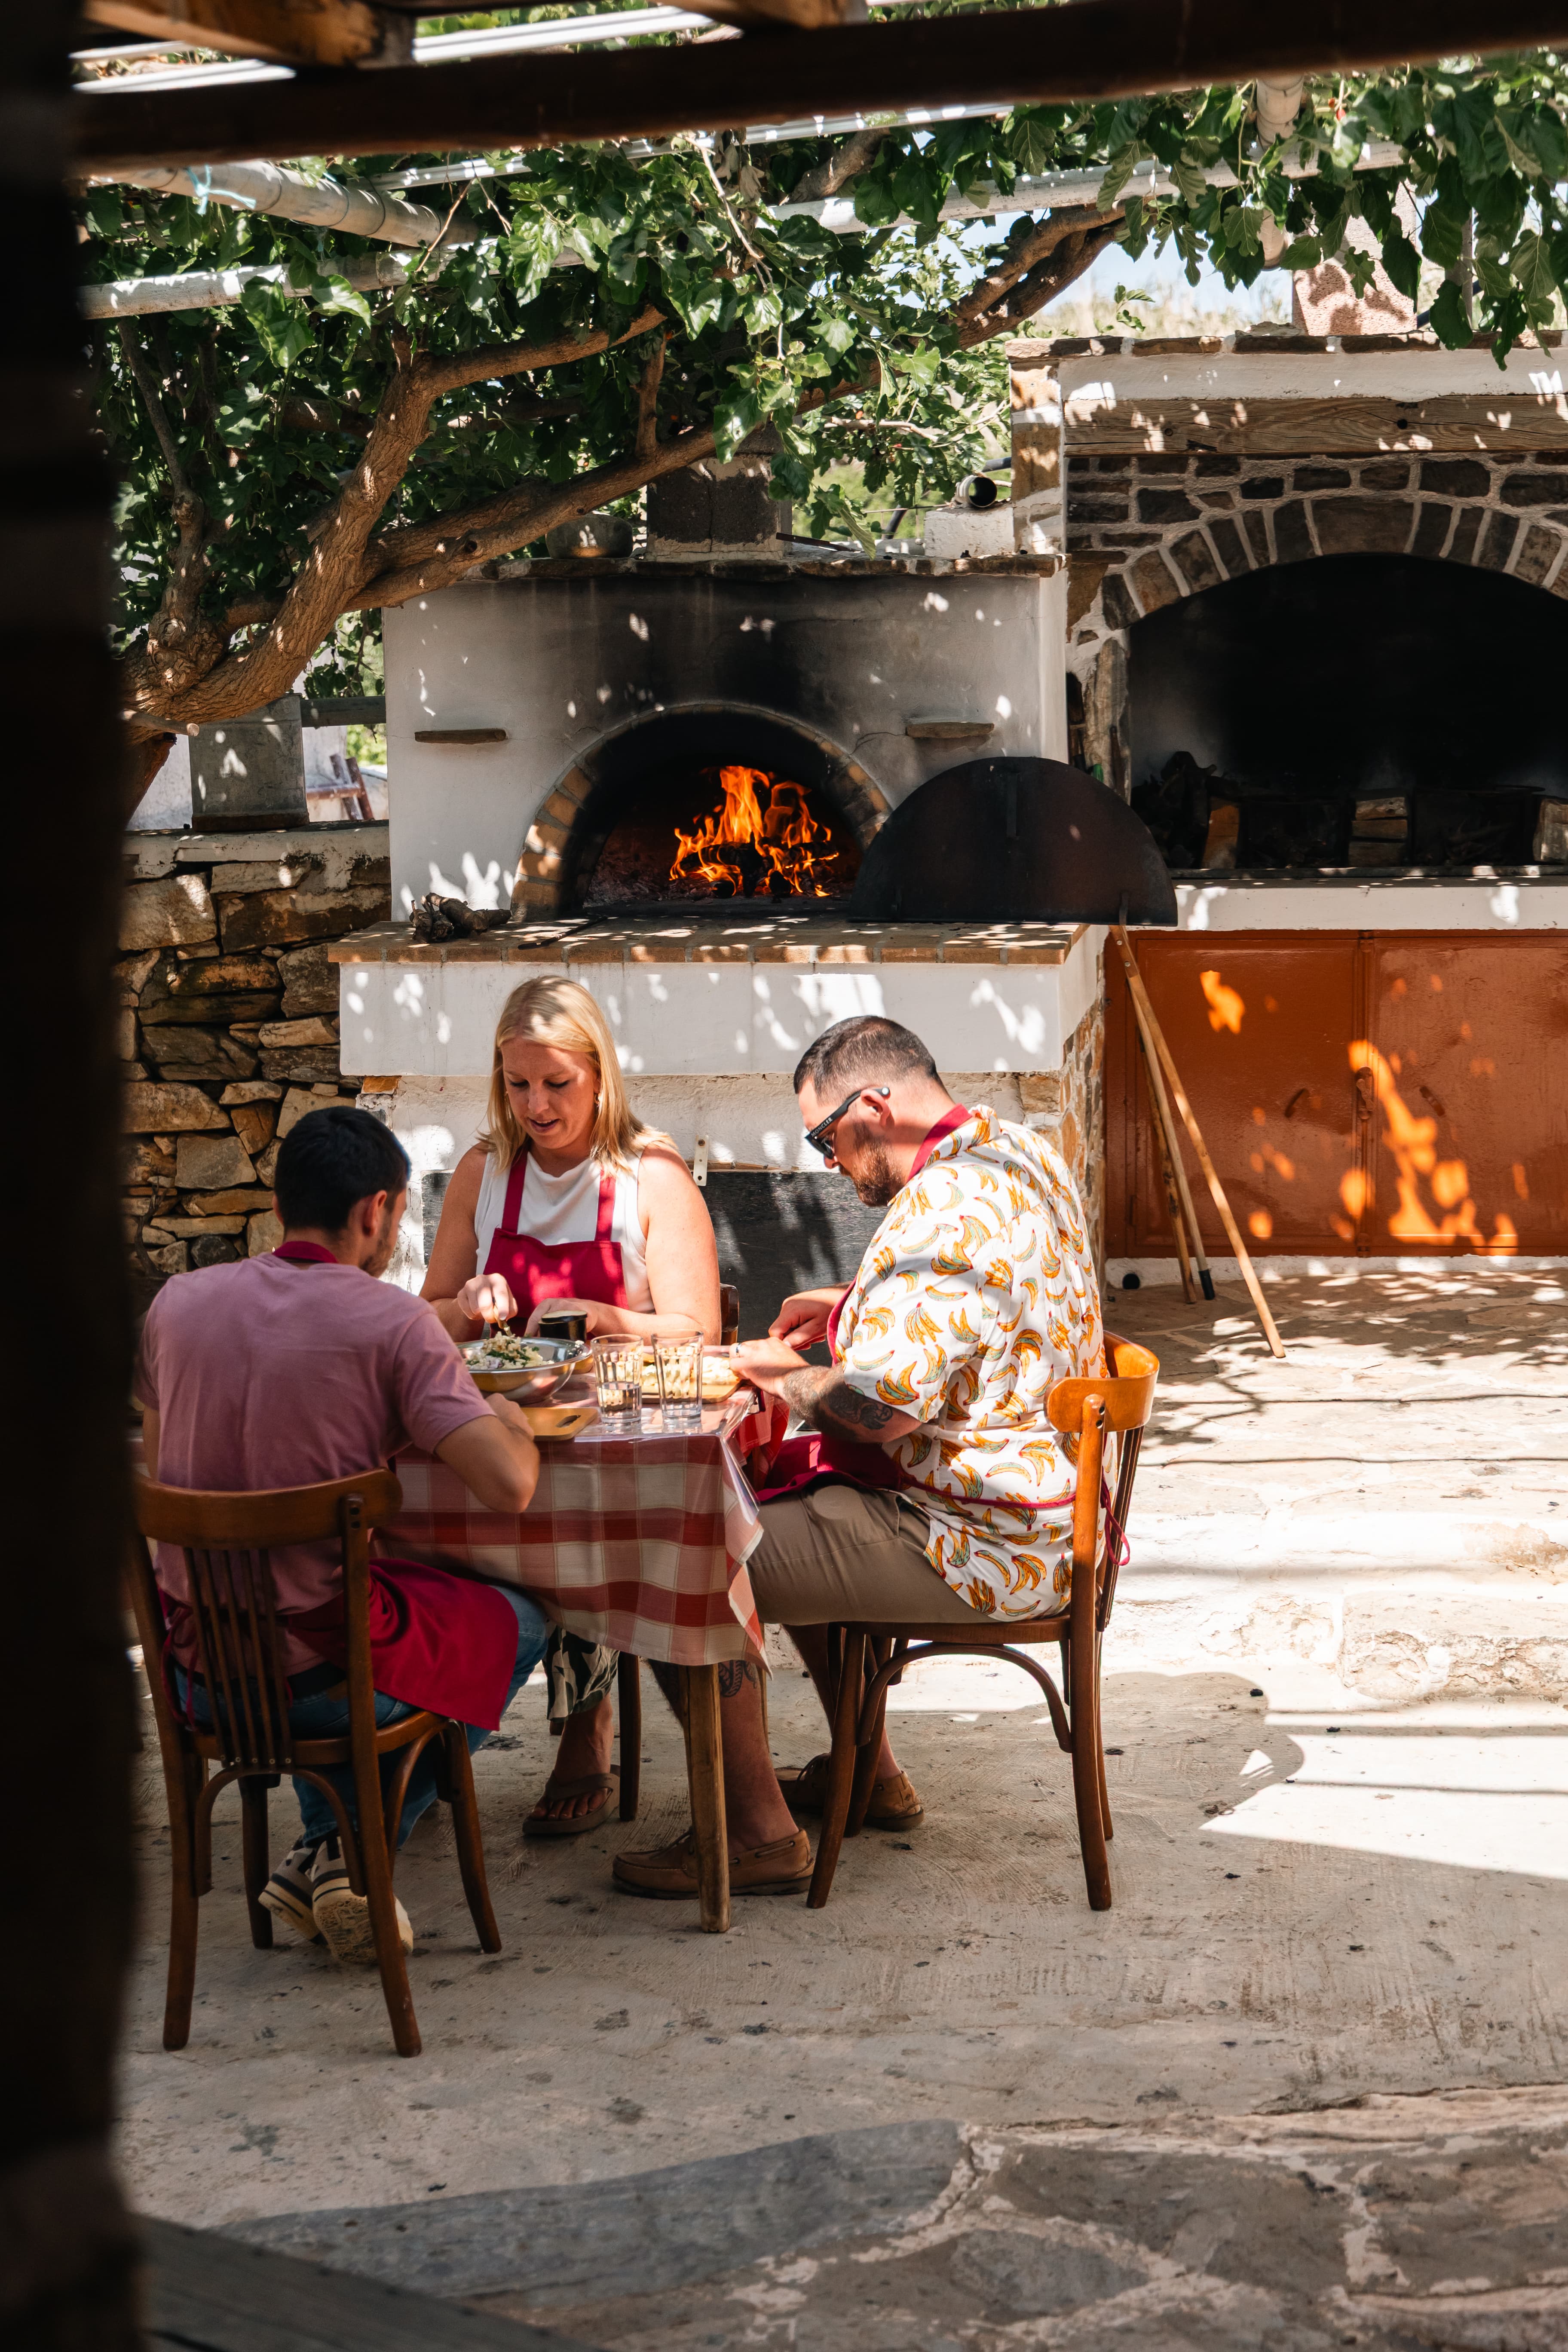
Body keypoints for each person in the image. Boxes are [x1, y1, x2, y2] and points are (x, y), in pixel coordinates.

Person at [611, 1014, 1105, 1900]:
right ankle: (869, 1774)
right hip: (1047, 1515)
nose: (826, 1163)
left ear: (873, 1108)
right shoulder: (1015, 1150)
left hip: (978, 1542)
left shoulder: (940, 1209)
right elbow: (984, 1295)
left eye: (823, 1139)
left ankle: (759, 1833)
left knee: (683, 1554)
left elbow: (873, 1413)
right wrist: (853, 1303)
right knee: (792, 1493)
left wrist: (779, 1374)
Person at [136, 1106, 552, 1965]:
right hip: (321, 1677)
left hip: (198, 1676)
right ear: (379, 1211)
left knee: (397, 1606)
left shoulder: (177, 1306)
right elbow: (510, 1486)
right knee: (527, 1616)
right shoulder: (391, 1322)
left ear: (283, 1201)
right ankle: (355, 1849)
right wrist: (505, 1413)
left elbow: (159, 1438)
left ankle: (321, 1850)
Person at [422, 974, 720, 1835]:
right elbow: (422, 1318)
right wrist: (466, 1305)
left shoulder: (649, 1177)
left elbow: (697, 1334)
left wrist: (613, 1318)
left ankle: (586, 1723)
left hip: (611, 1433)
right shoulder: (486, 1172)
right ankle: (421, 1724)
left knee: (593, 1524)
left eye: (558, 1084)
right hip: (504, 1426)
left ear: (601, 1074)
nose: (536, 1105)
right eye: (518, 1084)